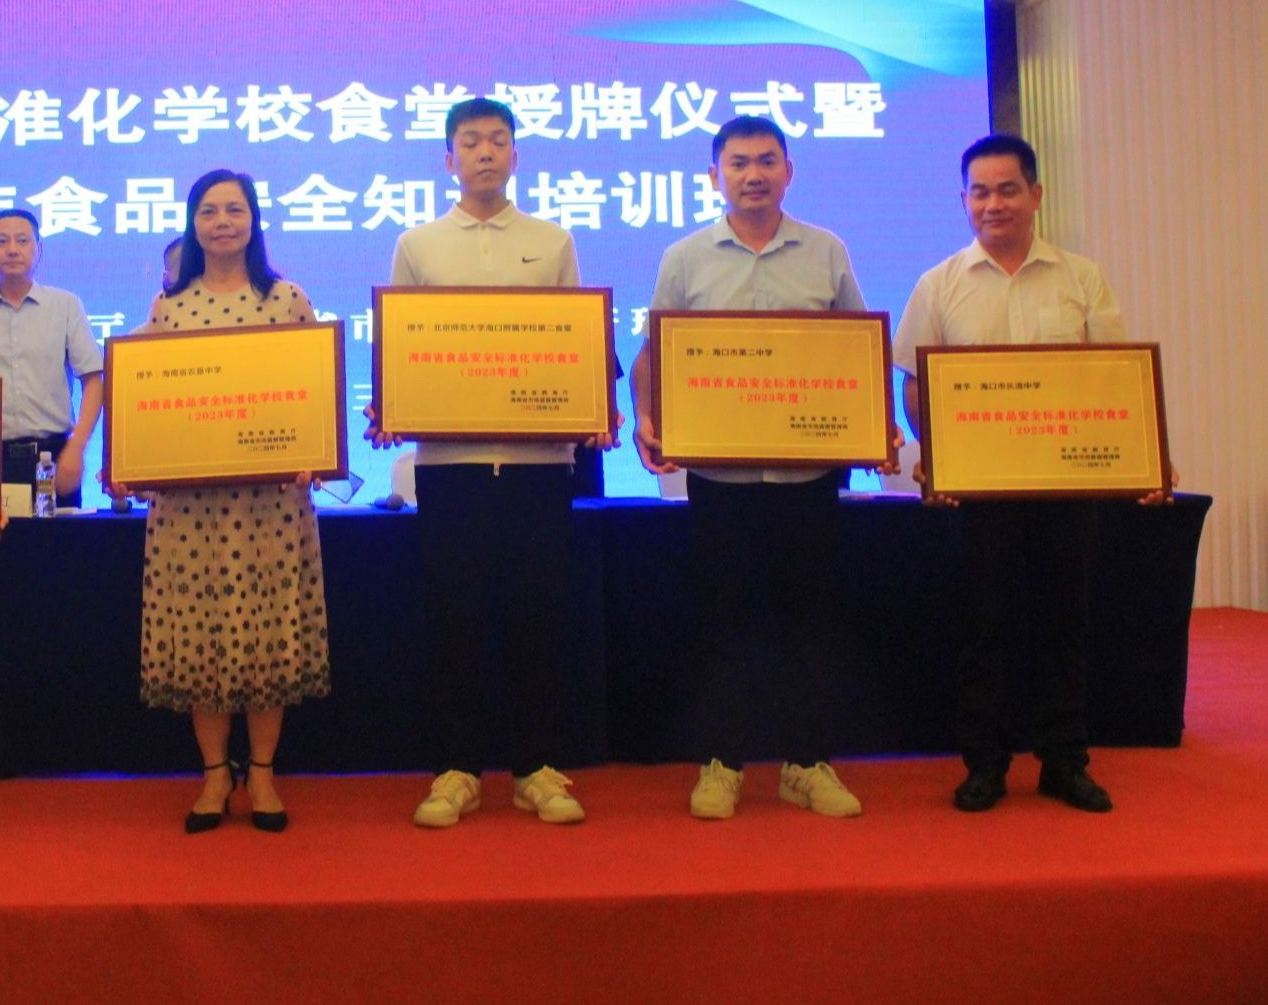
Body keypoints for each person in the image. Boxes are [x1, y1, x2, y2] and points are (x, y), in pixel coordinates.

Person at [894, 134, 1172, 815]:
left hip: (1063, 488)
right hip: (979, 492)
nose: (994, 204)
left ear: (1036, 194)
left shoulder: (1081, 278)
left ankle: (1063, 762)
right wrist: (938, 454)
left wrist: (1144, 454)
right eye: (980, 192)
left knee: (1063, 624)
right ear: (964, 201)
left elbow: (1115, 376)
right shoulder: (938, 284)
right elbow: (916, 385)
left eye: (1007, 189)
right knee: (983, 628)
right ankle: (985, 765)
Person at [630, 114, 897, 822]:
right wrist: (647, 417)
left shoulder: (826, 250)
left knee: (810, 623)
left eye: (767, 161)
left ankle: (807, 764)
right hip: (720, 482)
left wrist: (878, 426)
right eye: (739, 162)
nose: (754, 174)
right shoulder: (685, 256)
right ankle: (721, 763)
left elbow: (857, 349)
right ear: (714, 174)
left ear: (789, 171)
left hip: (807, 481)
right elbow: (655, 352)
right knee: (722, 624)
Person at [369, 96, 617, 830]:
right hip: (450, 462)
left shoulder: (553, 239)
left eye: (498, 140)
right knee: (455, 618)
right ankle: (458, 769)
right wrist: (391, 404)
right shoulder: (418, 244)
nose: (485, 152)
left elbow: (576, 342)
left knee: (539, 616)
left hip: (538, 461)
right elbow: (401, 346)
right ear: (449, 159)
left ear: (515, 154)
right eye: (471, 141)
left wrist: (593, 408)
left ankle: (537, 767)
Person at [115, 169, 330, 834]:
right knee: (199, 637)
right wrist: (132, 462)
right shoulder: (169, 307)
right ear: (192, 223)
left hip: (269, 505)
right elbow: (150, 401)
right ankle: (214, 775)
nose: (222, 222)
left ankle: (261, 772)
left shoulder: (287, 298)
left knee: (267, 635)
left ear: (254, 220)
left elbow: (313, 391)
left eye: (235, 209)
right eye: (208, 211)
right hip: (190, 509)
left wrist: (313, 450)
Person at [0, 209, 104, 507]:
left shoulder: (65, 305)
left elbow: (93, 380)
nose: (12, 249)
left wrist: (77, 448)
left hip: (53, 457)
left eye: (22, 240)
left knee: (59, 537)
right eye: (1, 241)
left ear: (38, 249)